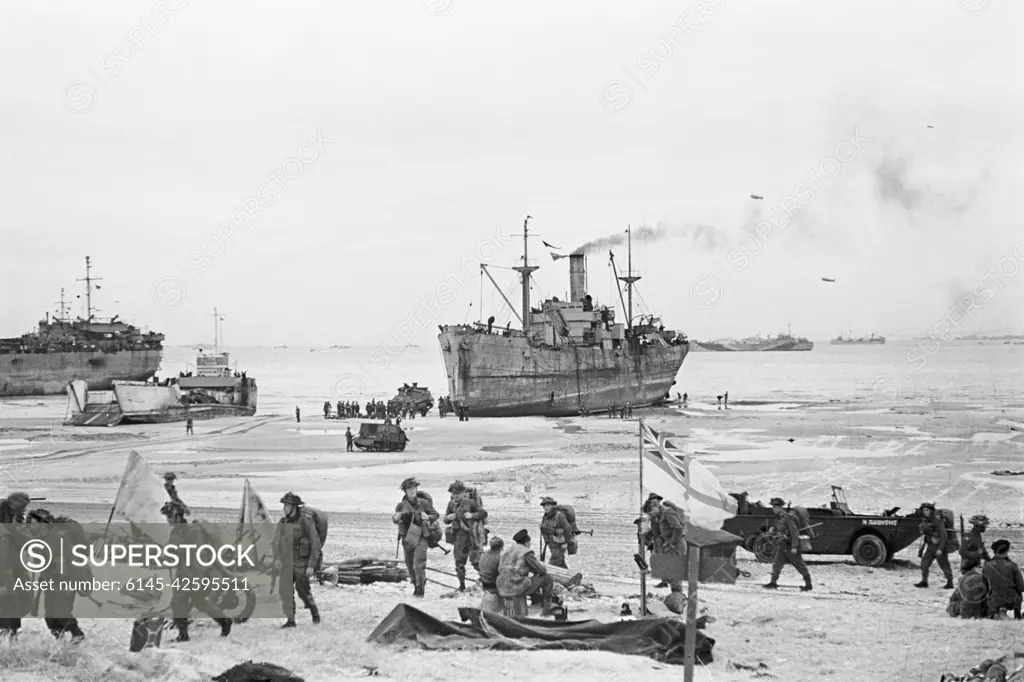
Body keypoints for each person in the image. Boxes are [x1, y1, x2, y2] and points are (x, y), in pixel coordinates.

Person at [162, 500, 233, 640]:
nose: (168, 520)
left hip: (196, 573)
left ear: (179, 516)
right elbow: (171, 550)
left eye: (170, 517)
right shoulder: (176, 532)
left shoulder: (194, 532)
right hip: (184, 571)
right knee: (200, 602)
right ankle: (225, 621)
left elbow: (198, 556)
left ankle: (183, 635)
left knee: (178, 602)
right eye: (167, 517)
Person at [26, 509, 90, 642]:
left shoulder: (60, 536)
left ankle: (77, 634)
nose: (30, 526)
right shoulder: (40, 538)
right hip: (51, 580)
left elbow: (71, 560)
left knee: (61, 611)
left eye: (32, 523)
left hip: (66, 580)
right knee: (50, 615)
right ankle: (59, 642)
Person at [275, 492, 321, 628]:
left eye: (287, 505)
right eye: (284, 505)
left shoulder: (305, 521)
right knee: (285, 591)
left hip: (302, 563)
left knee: (303, 591)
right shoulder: (282, 522)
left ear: (294, 507)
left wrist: (311, 565)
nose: (284, 508)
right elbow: (276, 542)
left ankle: (315, 614)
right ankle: (290, 620)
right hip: (286, 563)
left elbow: (315, 543)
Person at [393, 478, 439, 598]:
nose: (412, 491)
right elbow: (395, 520)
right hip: (407, 537)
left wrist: (427, 517)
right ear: (405, 491)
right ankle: (416, 585)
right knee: (410, 564)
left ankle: (420, 588)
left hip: (421, 536)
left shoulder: (424, 503)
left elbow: (436, 515)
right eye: (409, 489)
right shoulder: (401, 506)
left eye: (413, 488)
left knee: (418, 564)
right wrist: (396, 517)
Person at [497, 529, 556, 616]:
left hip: (502, 585)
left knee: (530, 579)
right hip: (516, 585)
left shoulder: (507, 550)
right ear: (527, 542)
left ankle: (535, 602)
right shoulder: (526, 552)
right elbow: (542, 571)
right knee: (547, 578)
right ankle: (546, 610)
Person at [444, 480, 488, 591]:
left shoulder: (471, 502)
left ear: (463, 493)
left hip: (472, 537)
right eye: (453, 493)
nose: (455, 496)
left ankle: (486, 582)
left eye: (458, 493)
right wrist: (449, 518)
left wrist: (472, 515)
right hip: (458, 538)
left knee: (476, 561)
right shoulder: (451, 504)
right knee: (459, 563)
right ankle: (461, 585)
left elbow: (483, 513)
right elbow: (445, 520)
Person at [763, 497, 812, 591]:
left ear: (780, 507)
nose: (773, 509)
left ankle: (808, 584)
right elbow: (779, 529)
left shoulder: (788, 518)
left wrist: (794, 547)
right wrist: (773, 529)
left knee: (799, 564)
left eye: (775, 507)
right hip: (782, 546)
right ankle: (773, 582)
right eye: (773, 507)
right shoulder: (778, 518)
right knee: (777, 564)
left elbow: (794, 533)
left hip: (791, 546)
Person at [643, 494, 686, 594]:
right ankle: (674, 591)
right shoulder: (656, 517)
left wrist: (671, 543)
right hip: (666, 545)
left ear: (655, 507)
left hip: (677, 545)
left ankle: (677, 595)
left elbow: (678, 529)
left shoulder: (668, 512)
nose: (650, 515)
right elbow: (657, 533)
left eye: (651, 512)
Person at [982, 539, 1024, 619]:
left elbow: (984, 586)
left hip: (994, 600)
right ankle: (1017, 613)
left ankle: (994, 611)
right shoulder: (1012, 565)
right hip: (1011, 600)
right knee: (1018, 593)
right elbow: (1021, 587)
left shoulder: (987, 566)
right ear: (1006, 550)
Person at [916, 502, 954, 589]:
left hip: (939, 546)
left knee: (944, 565)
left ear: (931, 510)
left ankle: (950, 582)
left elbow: (944, 535)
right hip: (930, 547)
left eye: (927, 510)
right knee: (924, 564)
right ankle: (924, 581)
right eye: (924, 510)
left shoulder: (938, 520)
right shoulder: (925, 520)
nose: (925, 512)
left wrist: (940, 549)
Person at [539, 497, 574, 569]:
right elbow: (546, 531)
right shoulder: (545, 517)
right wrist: (542, 527)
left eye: (548, 505)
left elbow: (568, 530)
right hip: (551, 546)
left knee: (551, 566)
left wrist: (565, 543)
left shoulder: (559, 516)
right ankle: (569, 577)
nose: (546, 508)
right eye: (544, 506)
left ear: (553, 506)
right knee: (560, 564)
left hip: (559, 546)